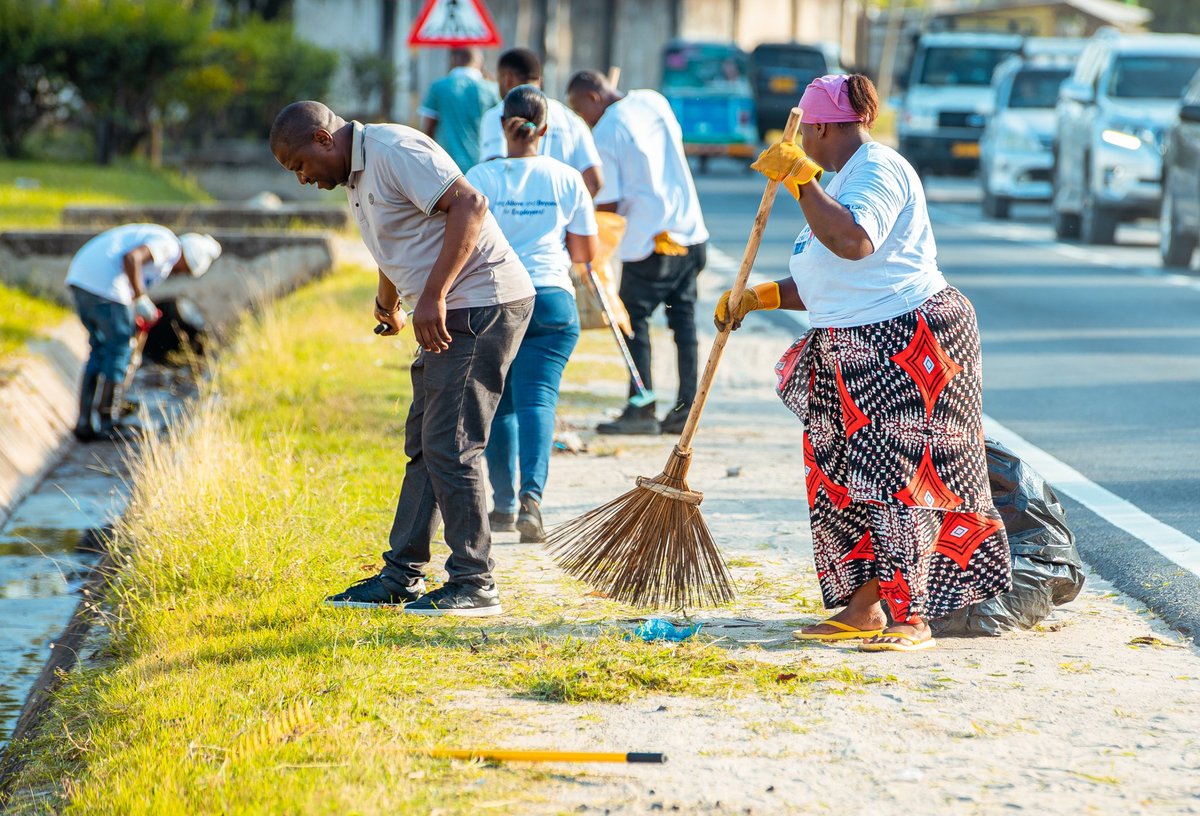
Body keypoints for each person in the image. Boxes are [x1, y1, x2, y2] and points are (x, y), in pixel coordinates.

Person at [714, 75, 1011, 652]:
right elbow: (834, 278)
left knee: (895, 481)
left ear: (820, 126)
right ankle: (863, 608)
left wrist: (801, 180)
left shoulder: (879, 169)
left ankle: (912, 618)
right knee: (841, 484)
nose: (796, 140)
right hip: (849, 345)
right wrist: (760, 296)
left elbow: (854, 243)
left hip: (907, 343)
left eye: (802, 130)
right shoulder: (839, 181)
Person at [269, 100, 534, 617]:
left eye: (299, 165)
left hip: (482, 301)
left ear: (324, 140)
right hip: (452, 306)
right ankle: (401, 576)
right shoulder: (355, 174)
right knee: (425, 442)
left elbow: (471, 206)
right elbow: (398, 239)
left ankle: (475, 583)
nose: (301, 179)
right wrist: (389, 301)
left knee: (452, 442)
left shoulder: (393, 149)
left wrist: (432, 296)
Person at [465, 86, 598, 543]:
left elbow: (462, 243)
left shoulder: (480, 177)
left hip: (498, 298)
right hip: (553, 299)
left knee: (498, 401)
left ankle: (501, 505)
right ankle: (532, 503)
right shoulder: (567, 177)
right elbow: (584, 252)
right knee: (539, 399)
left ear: (502, 125)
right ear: (545, 129)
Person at [567, 70, 709, 436]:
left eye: (579, 108)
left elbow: (608, 201)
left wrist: (584, 239)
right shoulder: (651, 98)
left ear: (593, 98)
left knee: (631, 322)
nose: (582, 118)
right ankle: (685, 410)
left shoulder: (605, 132)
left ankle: (642, 408)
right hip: (691, 234)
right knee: (684, 325)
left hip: (653, 244)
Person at [65, 225, 220, 442]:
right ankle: (108, 420)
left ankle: (85, 423)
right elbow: (132, 258)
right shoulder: (169, 246)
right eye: (185, 270)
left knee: (100, 350)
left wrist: (134, 308)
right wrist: (139, 298)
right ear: (187, 258)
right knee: (120, 350)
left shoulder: (161, 244)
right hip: (105, 288)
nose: (180, 273)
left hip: (82, 281)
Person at [477, 48, 604, 197]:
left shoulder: (500, 114)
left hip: (508, 216)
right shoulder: (570, 118)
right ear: (539, 80)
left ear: (507, 79)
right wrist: (568, 209)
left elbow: (492, 176)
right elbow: (594, 182)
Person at [419, 47, 500, 171]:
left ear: (454, 60)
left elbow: (428, 130)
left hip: (446, 164)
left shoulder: (438, 87)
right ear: (480, 62)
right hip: (481, 164)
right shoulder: (492, 89)